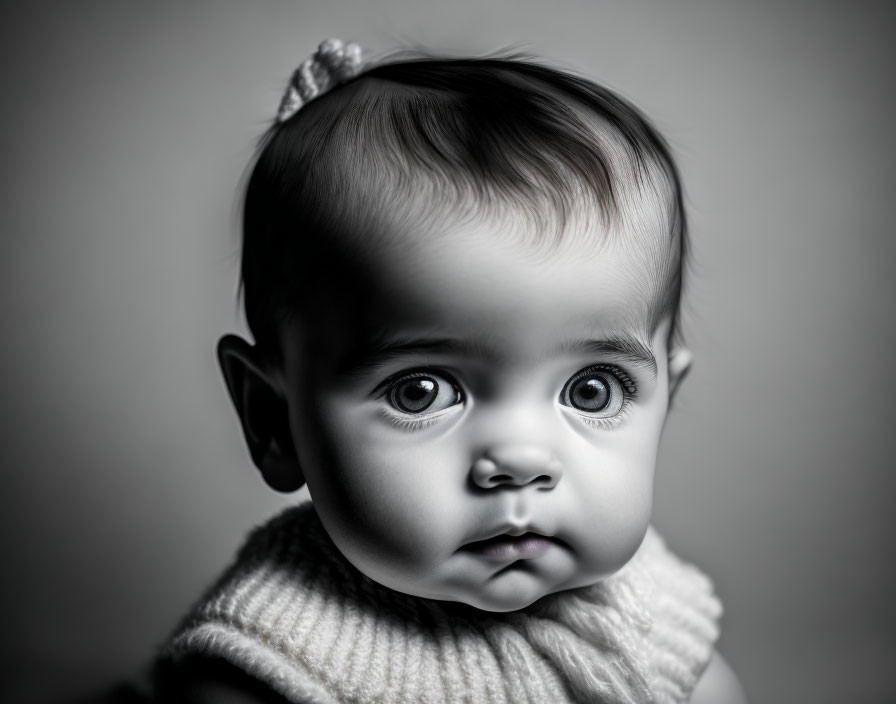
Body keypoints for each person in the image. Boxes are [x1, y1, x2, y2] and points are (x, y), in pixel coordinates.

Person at [153, 39, 747, 703]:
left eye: (591, 389)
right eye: (421, 391)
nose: (522, 461)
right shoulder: (266, 666)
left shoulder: (643, 602)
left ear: (666, 399)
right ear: (273, 420)